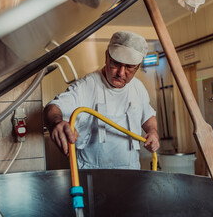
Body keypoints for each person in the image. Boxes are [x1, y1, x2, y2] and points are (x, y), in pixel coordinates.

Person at [44, 31, 159, 169]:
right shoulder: (87, 85)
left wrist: (152, 131)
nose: (121, 73)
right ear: (107, 57)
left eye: (129, 67)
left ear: (138, 66)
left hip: (131, 173)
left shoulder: (138, 87)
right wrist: (56, 122)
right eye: (116, 63)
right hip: (94, 175)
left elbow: (147, 116)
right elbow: (53, 108)